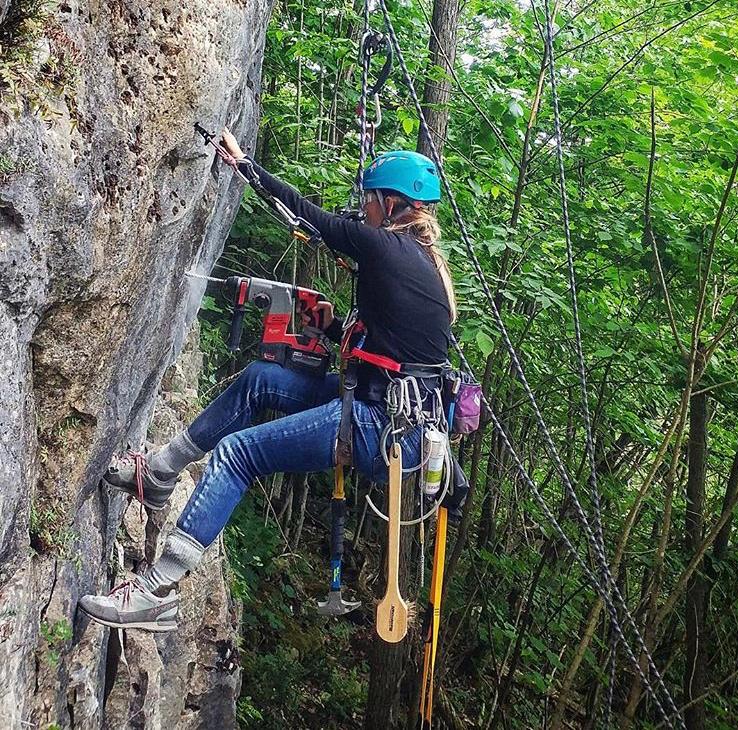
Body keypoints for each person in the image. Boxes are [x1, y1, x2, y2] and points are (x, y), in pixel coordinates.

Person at [78, 131, 458, 632]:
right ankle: (160, 470)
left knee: (238, 454)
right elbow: (394, 346)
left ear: (392, 204)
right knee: (261, 380)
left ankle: (156, 592)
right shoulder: (420, 262)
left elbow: (308, 217)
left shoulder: (387, 247)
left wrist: (244, 164)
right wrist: (335, 328)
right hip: (390, 413)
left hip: (380, 426)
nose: (363, 210)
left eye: (368, 200)